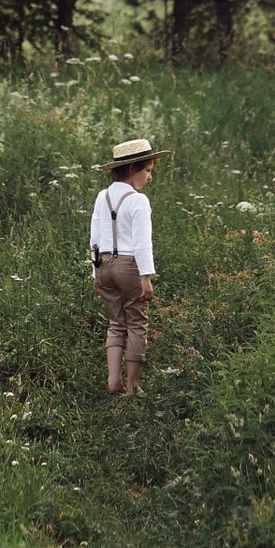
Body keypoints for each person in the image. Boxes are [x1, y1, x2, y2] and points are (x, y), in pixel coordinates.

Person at [89, 138, 162, 395]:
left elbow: (94, 238)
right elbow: (143, 243)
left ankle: (112, 381)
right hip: (129, 265)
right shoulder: (138, 201)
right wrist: (146, 276)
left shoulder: (102, 196)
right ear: (132, 169)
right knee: (136, 322)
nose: (150, 177)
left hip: (105, 265)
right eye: (148, 171)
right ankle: (131, 387)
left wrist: (95, 273)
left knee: (116, 322)